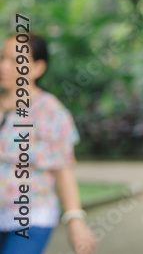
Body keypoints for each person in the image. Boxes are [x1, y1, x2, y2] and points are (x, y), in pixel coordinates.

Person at [0, 33, 96, 254]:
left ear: (37, 68)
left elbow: (63, 169)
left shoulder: (50, 111)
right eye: (2, 58)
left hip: (30, 217)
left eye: (16, 61)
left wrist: (75, 220)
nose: (4, 66)